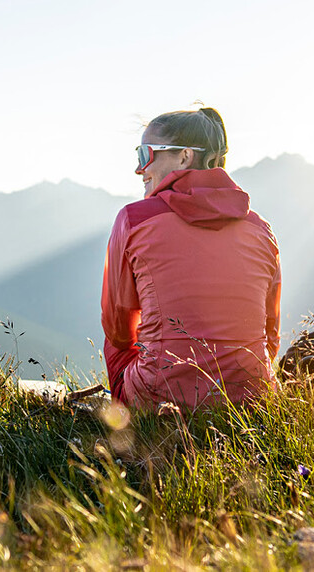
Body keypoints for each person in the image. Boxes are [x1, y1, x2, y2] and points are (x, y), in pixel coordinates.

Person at [100, 107, 283, 408]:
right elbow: (270, 338)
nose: (139, 168)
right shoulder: (262, 230)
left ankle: (140, 421)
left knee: (116, 342)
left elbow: (119, 332)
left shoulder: (133, 219)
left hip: (161, 399)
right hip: (253, 398)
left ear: (184, 157)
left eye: (145, 155)